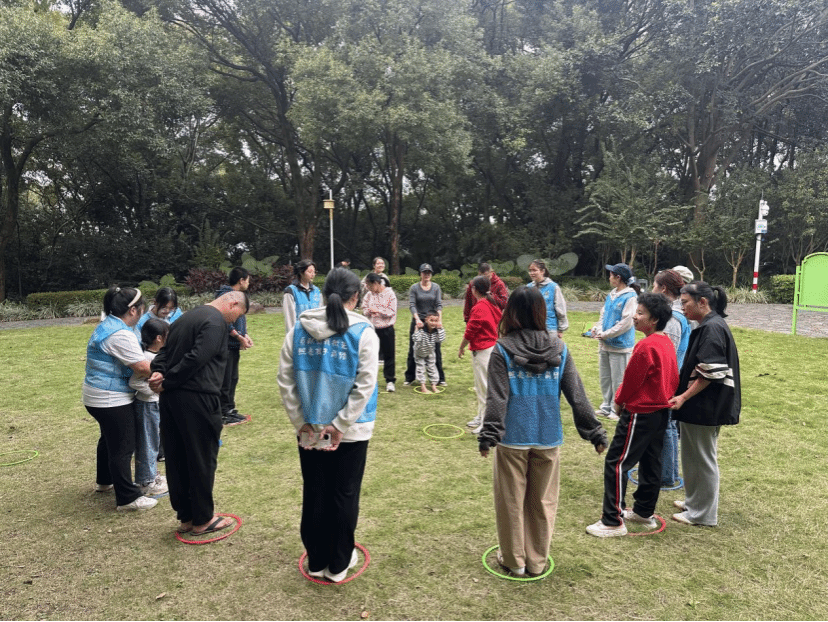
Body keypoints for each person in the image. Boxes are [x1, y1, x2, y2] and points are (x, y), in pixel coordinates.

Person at [478, 286, 607, 576]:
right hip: (547, 439)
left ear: (511, 312)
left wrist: (489, 436)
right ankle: (536, 562)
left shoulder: (502, 349)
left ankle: (515, 562)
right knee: (542, 502)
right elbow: (578, 395)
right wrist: (595, 432)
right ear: (541, 312)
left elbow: (496, 398)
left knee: (511, 501)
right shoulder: (559, 348)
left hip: (513, 440)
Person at [277, 268, 379, 583]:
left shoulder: (298, 329)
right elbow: (365, 384)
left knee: (316, 491)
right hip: (352, 429)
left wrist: (302, 421)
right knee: (344, 493)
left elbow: (285, 381)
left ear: (322, 295)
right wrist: (341, 423)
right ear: (356, 296)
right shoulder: (363, 332)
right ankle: (337, 564)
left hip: (310, 429)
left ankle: (318, 559)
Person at [149, 290, 249, 535]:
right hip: (198, 398)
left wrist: (158, 372)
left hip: (171, 400)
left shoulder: (185, 318)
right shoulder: (215, 322)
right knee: (201, 458)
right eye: (239, 314)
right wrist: (167, 380)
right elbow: (197, 358)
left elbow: (164, 351)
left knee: (177, 457)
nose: (236, 320)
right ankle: (203, 519)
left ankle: (186, 516)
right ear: (233, 303)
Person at [586, 292, 679, 537]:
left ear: (654, 320)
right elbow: (673, 378)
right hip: (660, 412)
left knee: (616, 463)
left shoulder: (646, 346)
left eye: (640, 313)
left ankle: (612, 521)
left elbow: (631, 380)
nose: (635, 317)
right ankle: (643, 512)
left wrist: (619, 402)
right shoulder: (666, 342)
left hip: (641, 413)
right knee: (651, 461)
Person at [668, 281, 741, 527]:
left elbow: (712, 372)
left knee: (702, 458)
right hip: (699, 405)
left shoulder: (712, 328)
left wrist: (683, 397)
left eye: (685, 303)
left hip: (706, 405)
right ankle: (694, 502)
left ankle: (703, 514)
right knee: (692, 456)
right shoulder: (707, 325)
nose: (682, 307)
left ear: (702, 302)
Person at [82, 286, 157, 511]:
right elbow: (142, 367)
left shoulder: (110, 324)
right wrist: (168, 370)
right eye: (142, 308)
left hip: (97, 395)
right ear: (133, 310)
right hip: (110, 398)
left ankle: (105, 481)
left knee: (109, 439)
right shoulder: (119, 334)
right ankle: (127, 498)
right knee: (123, 447)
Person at [652, 269, 691, 487]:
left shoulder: (673, 318)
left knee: (666, 426)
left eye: (654, 285)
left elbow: (668, 353)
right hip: (672, 377)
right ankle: (669, 472)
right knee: (669, 426)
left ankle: (666, 475)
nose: (652, 289)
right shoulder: (674, 314)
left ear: (663, 288)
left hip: (669, 379)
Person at [590, 263, 640, 421]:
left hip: (620, 345)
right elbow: (603, 314)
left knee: (618, 379)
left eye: (611, 275)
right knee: (605, 378)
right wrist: (597, 328)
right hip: (605, 343)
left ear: (618, 277)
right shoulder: (612, 294)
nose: (609, 278)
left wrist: (606, 334)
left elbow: (627, 322)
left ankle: (616, 409)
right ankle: (606, 406)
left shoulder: (630, 297)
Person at [129, 318, 169, 497]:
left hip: (153, 405)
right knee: (148, 443)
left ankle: (151, 475)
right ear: (159, 338)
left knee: (154, 440)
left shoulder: (156, 356)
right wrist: (155, 392)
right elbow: (135, 382)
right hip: (147, 406)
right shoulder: (147, 359)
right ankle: (146, 481)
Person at [459, 276, 503, 433]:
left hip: (484, 351)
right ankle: (480, 416)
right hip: (489, 348)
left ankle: (486, 422)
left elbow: (471, 330)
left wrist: (461, 347)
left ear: (475, 290)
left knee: (484, 388)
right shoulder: (491, 303)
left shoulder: (480, 307)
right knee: (480, 387)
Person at [215, 267, 254, 426]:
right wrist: (238, 336)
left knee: (232, 378)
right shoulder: (226, 296)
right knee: (225, 379)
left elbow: (239, 320)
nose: (248, 283)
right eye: (248, 280)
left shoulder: (238, 296)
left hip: (233, 345)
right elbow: (225, 321)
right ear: (241, 280)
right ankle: (223, 413)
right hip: (225, 344)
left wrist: (245, 335)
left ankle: (230, 409)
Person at [404, 263, 445, 386]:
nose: (427, 274)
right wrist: (417, 319)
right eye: (424, 272)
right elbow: (412, 305)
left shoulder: (436, 287)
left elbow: (438, 304)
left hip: (432, 321)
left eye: (429, 272)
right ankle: (410, 377)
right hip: (419, 321)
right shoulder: (414, 288)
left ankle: (440, 378)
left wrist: (439, 320)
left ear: (431, 274)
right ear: (420, 273)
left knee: (435, 349)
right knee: (414, 348)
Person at [362, 272, 397, 392]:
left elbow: (392, 311)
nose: (368, 288)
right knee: (371, 355)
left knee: (389, 355)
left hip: (387, 328)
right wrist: (369, 311)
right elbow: (364, 308)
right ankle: (370, 380)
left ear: (376, 283)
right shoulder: (369, 295)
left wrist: (379, 310)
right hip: (372, 328)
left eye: (369, 285)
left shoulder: (390, 294)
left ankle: (390, 380)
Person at [526, 259, 568, 338]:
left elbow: (560, 308)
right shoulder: (528, 287)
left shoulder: (553, 287)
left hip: (549, 328)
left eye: (534, 270)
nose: (532, 273)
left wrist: (561, 329)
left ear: (542, 271)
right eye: (530, 271)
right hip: (531, 328)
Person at [283, 259, 322, 334]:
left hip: (314, 333)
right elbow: (289, 317)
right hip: (299, 333)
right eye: (310, 272)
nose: (313, 274)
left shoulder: (317, 291)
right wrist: (292, 335)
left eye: (314, 272)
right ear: (301, 272)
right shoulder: (291, 291)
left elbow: (320, 313)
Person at [413, 311, 446, 394]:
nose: (433, 323)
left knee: (432, 368)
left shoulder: (436, 330)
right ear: (426, 320)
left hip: (430, 352)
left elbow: (441, 339)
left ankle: (433, 385)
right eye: (431, 320)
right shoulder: (421, 329)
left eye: (436, 321)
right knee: (421, 369)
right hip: (419, 352)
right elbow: (416, 339)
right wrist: (416, 329)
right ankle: (423, 386)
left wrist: (441, 329)